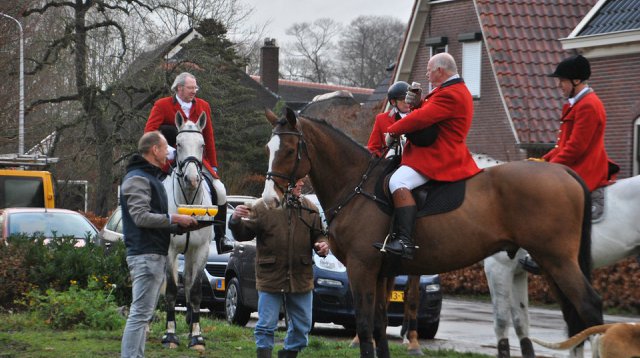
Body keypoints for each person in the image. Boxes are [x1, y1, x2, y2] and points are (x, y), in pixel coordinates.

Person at [373, 53, 481, 260]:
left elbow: (422, 118)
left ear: (440, 71)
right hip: (438, 151)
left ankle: (405, 241)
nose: (427, 73)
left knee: (397, 181)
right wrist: (419, 102)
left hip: (438, 156)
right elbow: (430, 112)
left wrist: (393, 131)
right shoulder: (450, 90)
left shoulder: (450, 93)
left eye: (429, 70)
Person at [520, 54, 618, 273]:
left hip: (585, 167)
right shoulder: (577, 104)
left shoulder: (588, 106)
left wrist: (548, 168)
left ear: (576, 81)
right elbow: (563, 146)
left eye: (562, 81)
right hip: (573, 162)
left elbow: (576, 148)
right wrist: (540, 161)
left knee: (546, 197)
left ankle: (547, 252)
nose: (559, 85)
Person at [229, 179, 330, 358]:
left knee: (302, 328)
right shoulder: (263, 207)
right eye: (297, 181)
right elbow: (243, 234)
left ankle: (288, 354)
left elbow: (320, 235)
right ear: (285, 183)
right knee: (266, 326)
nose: (301, 184)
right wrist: (235, 219)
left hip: (301, 277)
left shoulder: (310, 209)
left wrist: (323, 245)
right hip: (270, 276)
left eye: (302, 180)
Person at [120, 131, 200, 358]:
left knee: (143, 314)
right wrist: (174, 219)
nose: (169, 153)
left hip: (152, 254)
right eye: (166, 148)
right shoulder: (138, 178)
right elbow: (140, 217)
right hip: (145, 255)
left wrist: (179, 227)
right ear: (154, 150)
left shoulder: (150, 177)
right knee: (140, 314)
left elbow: (153, 218)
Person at [144, 72, 230, 252]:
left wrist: (213, 165)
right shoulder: (162, 105)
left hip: (197, 160)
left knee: (220, 191)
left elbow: (209, 137)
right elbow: (149, 132)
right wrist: (166, 150)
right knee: (150, 189)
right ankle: (149, 230)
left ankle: (221, 237)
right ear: (179, 88)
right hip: (167, 159)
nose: (194, 91)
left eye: (195, 88)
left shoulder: (204, 106)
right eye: (191, 88)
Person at [367, 81, 413, 157]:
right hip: (391, 163)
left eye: (409, 99)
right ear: (393, 102)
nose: (408, 103)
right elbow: (373, 148)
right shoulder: (381, 119)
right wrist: (384, 161)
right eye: (404, 99)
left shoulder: (418, 115)